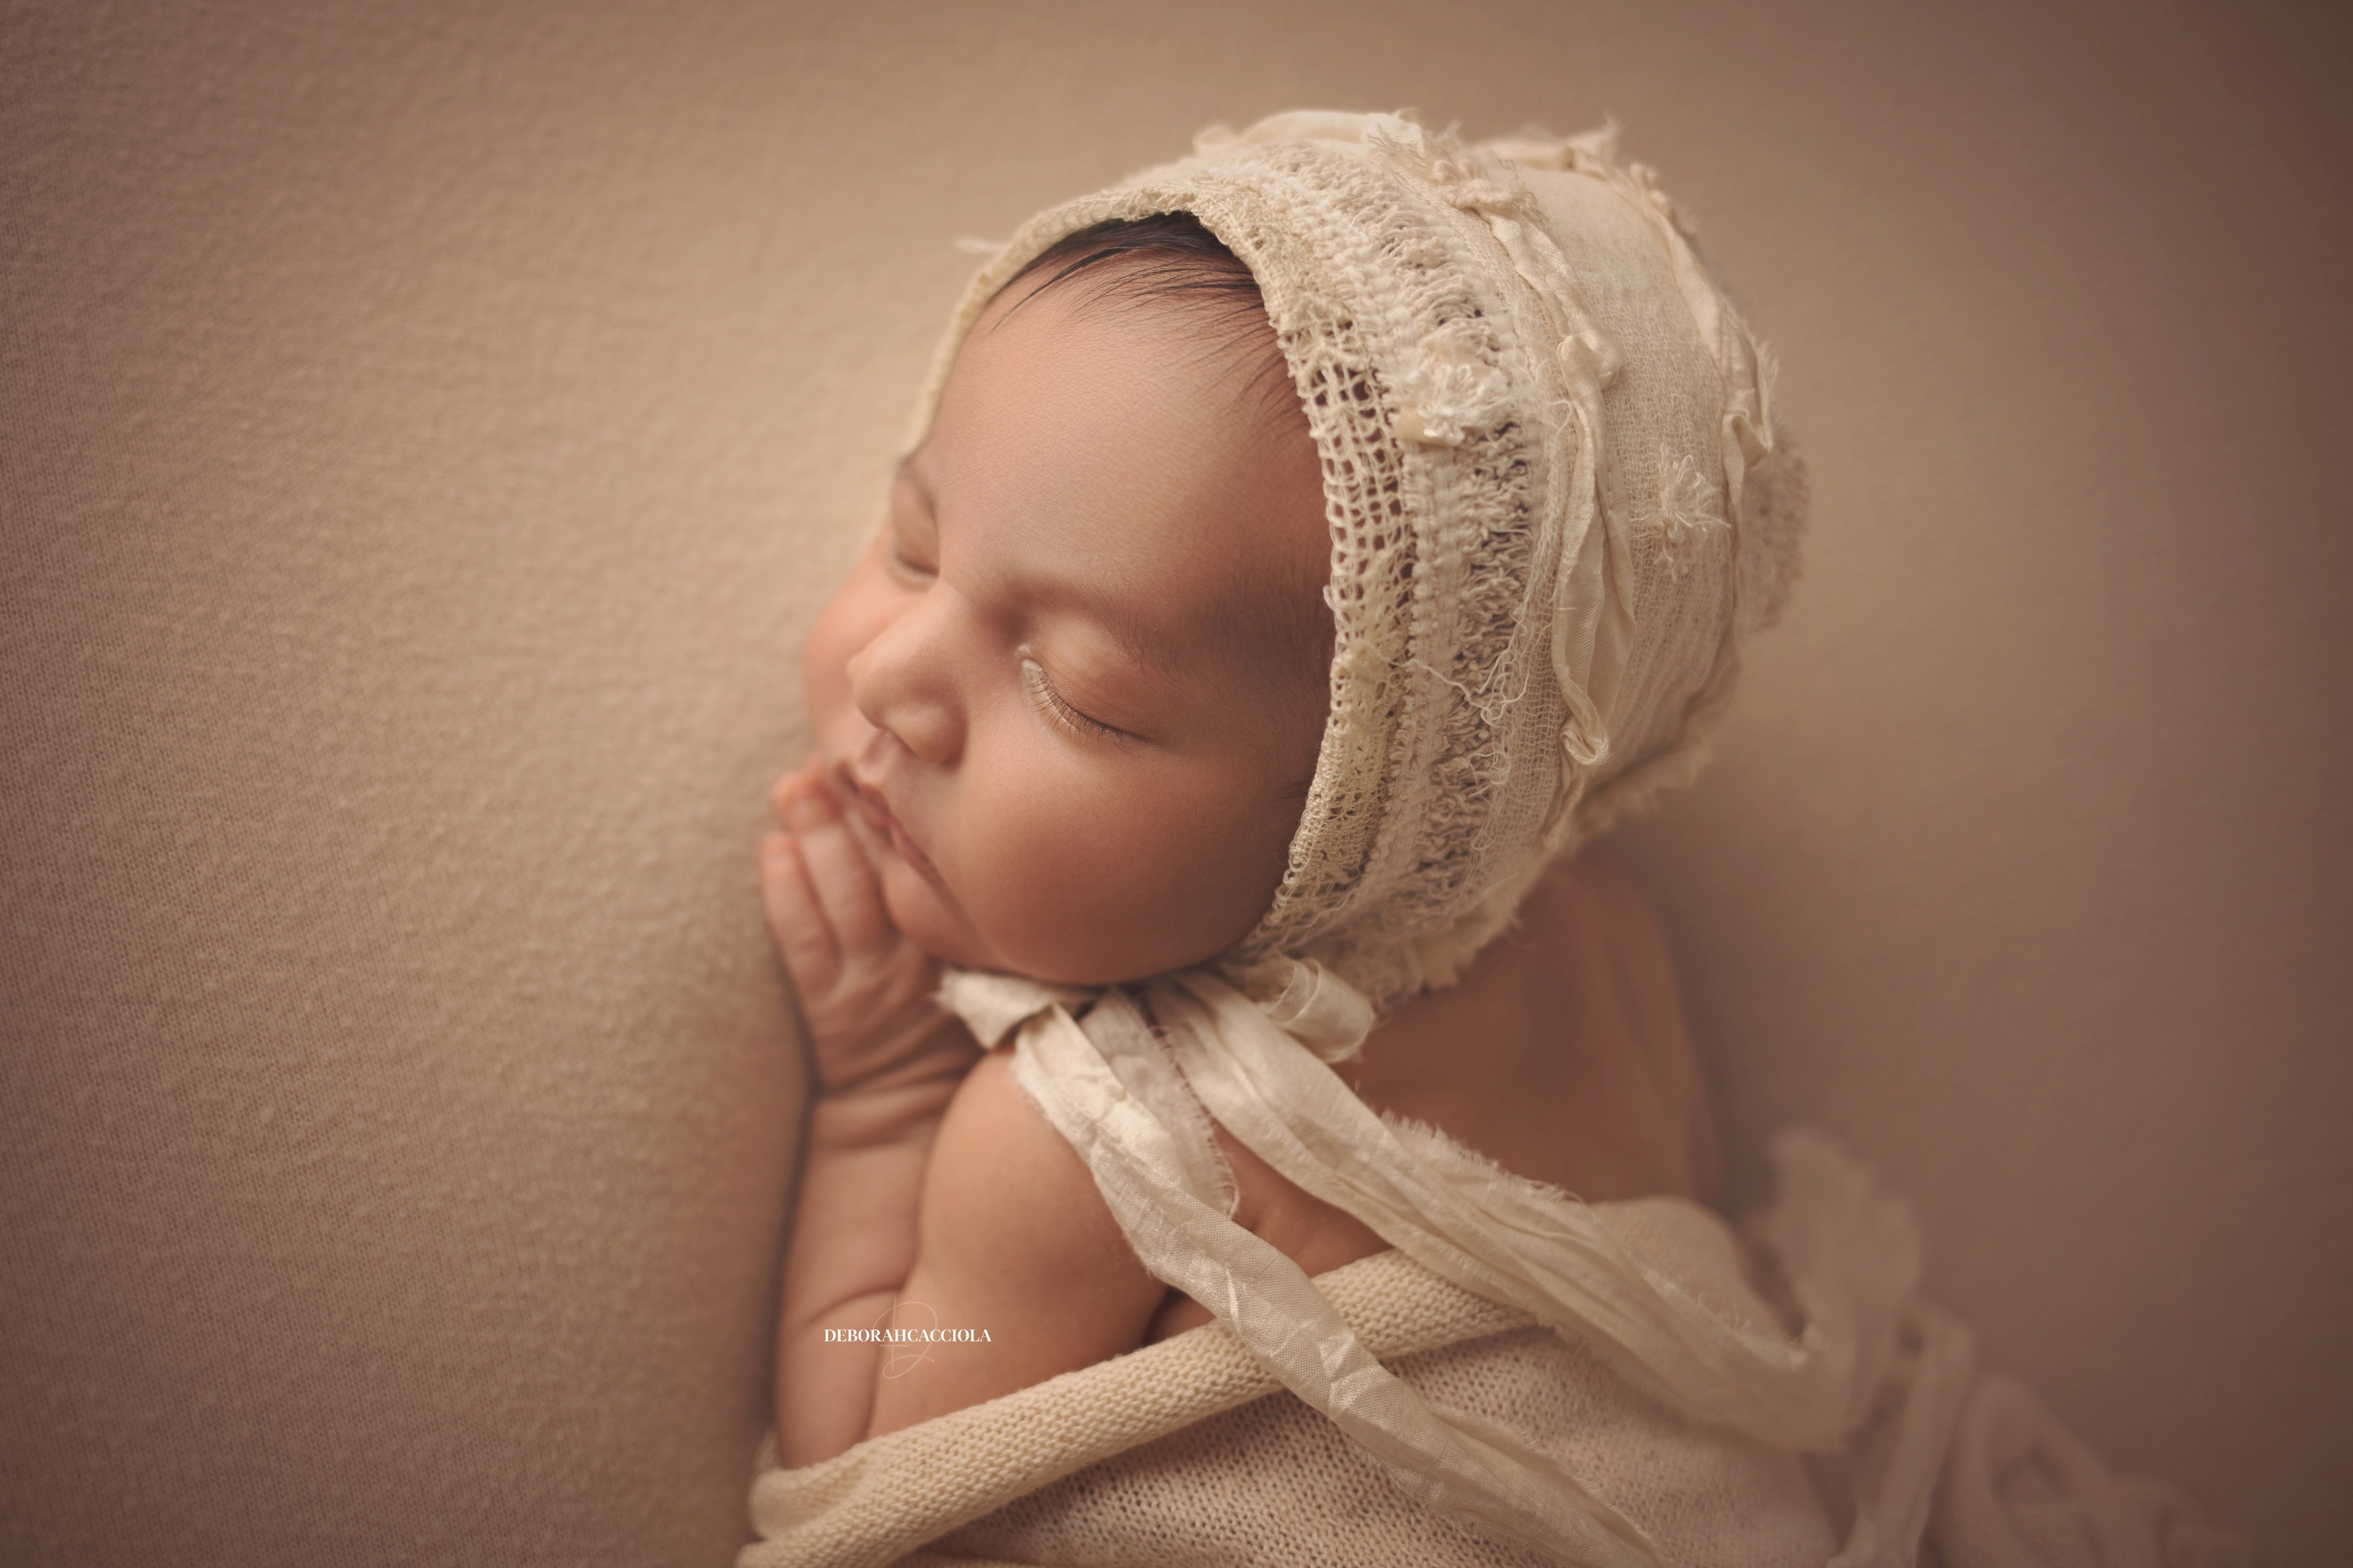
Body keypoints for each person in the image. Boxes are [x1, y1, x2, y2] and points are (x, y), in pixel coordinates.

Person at [742, 114, 2244, 1568]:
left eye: (1081, 695)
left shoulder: (1105, 1139)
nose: (891, 677)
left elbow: (873, 1471)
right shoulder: (1611, 948)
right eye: (915, 545)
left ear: (1369, 820)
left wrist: (880, 1101)